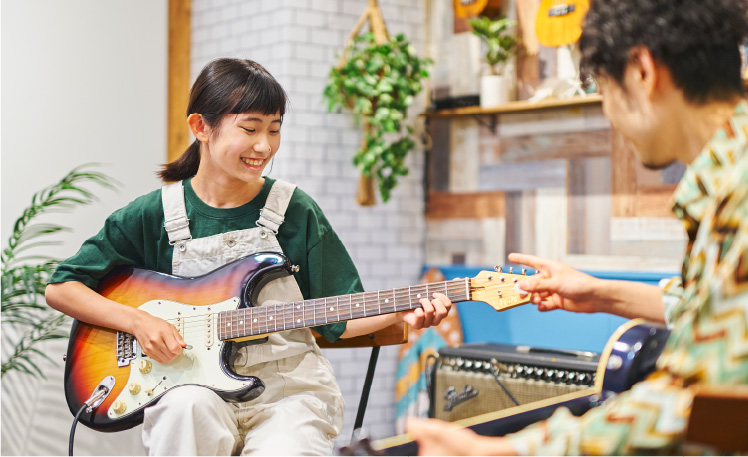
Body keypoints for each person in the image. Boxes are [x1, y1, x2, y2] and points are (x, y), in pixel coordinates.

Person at [405, 0, 748, 454]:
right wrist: (597, 293)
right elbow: (714, 313)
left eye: (603, 89)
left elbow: (703, 401)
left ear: (641, 71)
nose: (609, 116)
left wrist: (505, 451)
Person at [45, 57, 453, 456]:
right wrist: (138, 321)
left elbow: (339, 319)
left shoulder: (294, 209)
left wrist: (407, 308)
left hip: (288, 394)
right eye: (250, 128)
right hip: (190, 385)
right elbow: (63, 288)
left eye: (274, 129)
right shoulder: (154, 213)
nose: (265, 145)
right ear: (200, 126)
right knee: (183, 411)